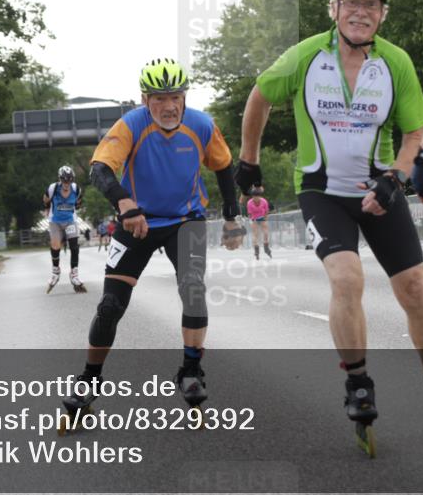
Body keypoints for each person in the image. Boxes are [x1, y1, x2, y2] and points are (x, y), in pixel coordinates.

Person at [237, 0, 423, 455]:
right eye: (352, 3)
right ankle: (358, 381)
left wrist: (397, 178)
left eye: (371, 5)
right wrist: (248, 160)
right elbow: (260, 96)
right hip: (321, 192)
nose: (360, 13)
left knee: (415, 289)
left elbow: (415, 132)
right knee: (347, 280)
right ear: (335, 8)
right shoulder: (305, 57)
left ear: (382, 14)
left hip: (379, 189)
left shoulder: (395, 63)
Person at [62, 58, 245, 420]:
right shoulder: (131, 124)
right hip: (137, 223)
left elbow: (224, 166)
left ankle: (191, 370)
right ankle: (89, 379)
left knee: (193, 290)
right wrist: (125, 204)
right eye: (159, 98)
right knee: (110, 306)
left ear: (185, 97)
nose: (168, 106)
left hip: (186, 220)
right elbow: (100, 169)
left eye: (175, 96)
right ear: (145, 100)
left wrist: (231, 217)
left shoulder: (202, 125)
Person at [43, 165, 86, 293]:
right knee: (55, 245)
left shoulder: (76, 189)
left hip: (70, 220)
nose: (67, 183)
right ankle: (55, 272)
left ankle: (74, 274)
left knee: (74, 245)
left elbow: (79, 202)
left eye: (69, 180)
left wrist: (76, 206)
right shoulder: (53, 188)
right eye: (64, 180)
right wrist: (47, 208)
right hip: (55, 221)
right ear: (60, 179)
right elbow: (45, 199)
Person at [246, 184, 272, 260]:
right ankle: (256, 250)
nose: (256, 198)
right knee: (255, 234)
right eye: (254, 196)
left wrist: (265, 219)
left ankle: (266, 247)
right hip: (254, 218)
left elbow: (266, 211)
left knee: (266, 232)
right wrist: (252, 221)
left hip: (262, 217)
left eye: (257, 196)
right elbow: (250, 214)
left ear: (260, 196)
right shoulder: (249, 203)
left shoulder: (264, 201)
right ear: (252, 196)